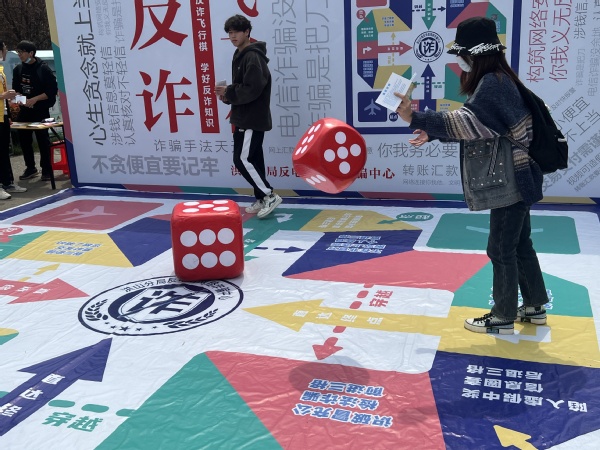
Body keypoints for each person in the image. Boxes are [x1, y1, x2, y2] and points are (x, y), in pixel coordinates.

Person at [394, 17, 548, 335]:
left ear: (475, 55)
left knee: (501, 249)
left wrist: (414, 117)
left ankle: (503, 316)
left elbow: (469, 122)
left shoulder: (493, 84)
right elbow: (480, 128)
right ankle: (534, 307)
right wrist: (432, 133)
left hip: (510, 181)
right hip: (520, 176)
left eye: (462, 54)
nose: (460, 61)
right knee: (520, 244)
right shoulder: (501, 80)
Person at [215, 14, 282, 219]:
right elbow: (243, 88)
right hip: (245, 116)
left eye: (236, 32)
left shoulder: (252, 56)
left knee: (241, 159)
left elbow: (252, 89)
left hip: (251, 118)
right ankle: (261, 197)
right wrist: (227, 95)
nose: (232, 36)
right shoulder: (240, 54)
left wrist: (229, 92)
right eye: (230, 33)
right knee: (253, 159)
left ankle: (269, 195)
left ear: (247, 32)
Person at [12, 40, 58, 182]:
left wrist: (35, 99)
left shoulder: (43, 69)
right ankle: (30, 168)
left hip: (41, 111)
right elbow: (16, 90)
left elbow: (51, 91)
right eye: (18, 52)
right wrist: (21, 100)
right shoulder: (18, 69)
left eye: (22, 52)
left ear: (31, 53)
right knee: (24, 140)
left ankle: (46, 170)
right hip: (25, 110)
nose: (19, 55)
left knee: (43, 140)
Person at [0, 40, 27, 200]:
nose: (6, 51)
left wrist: (8, 110)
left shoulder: (1, 69)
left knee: (4, 151)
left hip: (3, 115)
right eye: (5, 48)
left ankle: (7, 183)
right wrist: (3, 95)